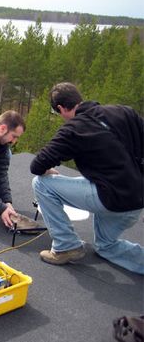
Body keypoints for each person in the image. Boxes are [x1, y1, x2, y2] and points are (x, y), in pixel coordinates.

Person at [31, 82, 144, 274]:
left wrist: (48, 169)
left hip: (111, 199)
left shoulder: (72, 130)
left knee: (41, 184)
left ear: (60, 109)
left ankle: (66, 246)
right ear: (78, 99)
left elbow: (37, 166)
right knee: (105, 246)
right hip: (136, 201)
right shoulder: (124, 112)